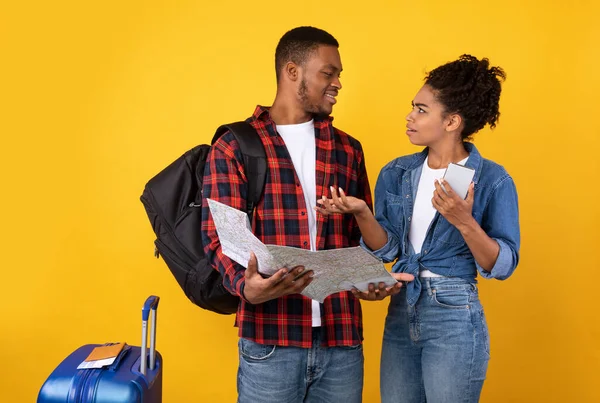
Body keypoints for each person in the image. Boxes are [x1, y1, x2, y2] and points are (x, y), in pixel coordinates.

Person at [201, 26, 412, 403]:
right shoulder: (235, 145)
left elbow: (359, 242)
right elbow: (218, 236)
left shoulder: (348, 150)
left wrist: (368, 281)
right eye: (328, 73)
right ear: (292, 71)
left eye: (339, 75)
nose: (337, 84)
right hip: (271, 341)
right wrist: (245, 287)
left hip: (341, 341)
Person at [317, 54, 520, 402]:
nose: (410, 116)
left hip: (454, 315)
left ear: (452, 121)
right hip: (401, 309)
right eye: (413, 107)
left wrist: (464, 220)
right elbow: (389, 249)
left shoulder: (493, 179)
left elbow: (501, 265)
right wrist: (363, 213)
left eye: (422, 109)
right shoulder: (396, 173)